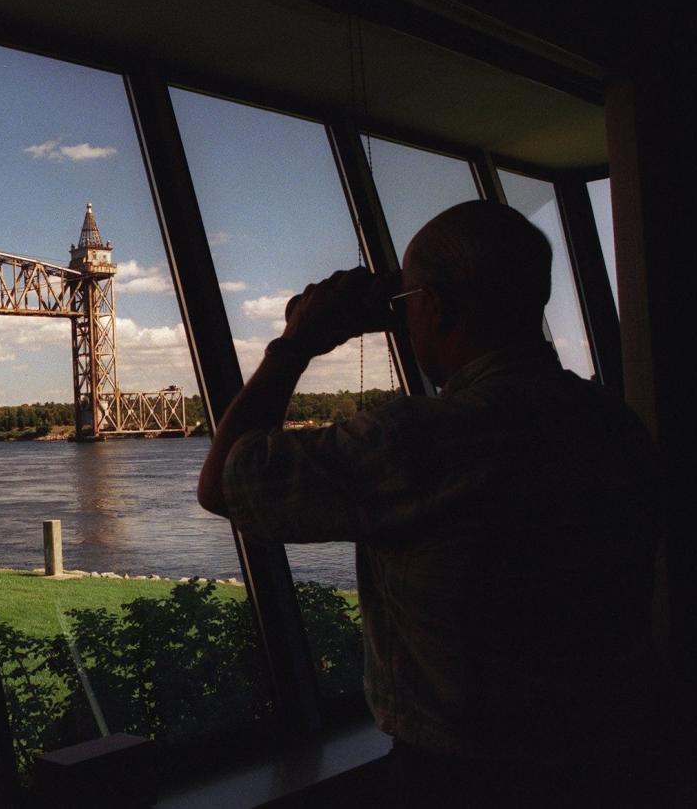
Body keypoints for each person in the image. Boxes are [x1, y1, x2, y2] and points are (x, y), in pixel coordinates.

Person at [198, 201, 659, 807]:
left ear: (437, 307)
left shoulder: (423, 440)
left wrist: (295, 345)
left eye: (408, 300)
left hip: (464, 776)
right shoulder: (613, 424)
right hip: (613, 760)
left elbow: (226, 483)